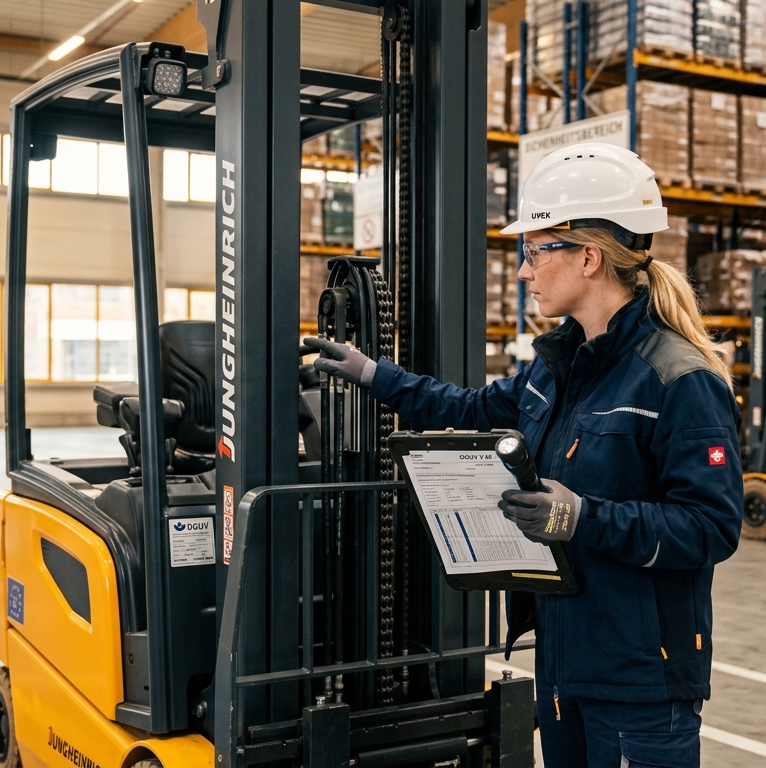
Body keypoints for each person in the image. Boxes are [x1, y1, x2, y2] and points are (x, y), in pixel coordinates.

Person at [304, 143, 742, 768]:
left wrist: (583, 517)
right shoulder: (559, 369)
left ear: (588, 257)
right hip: (564, 662)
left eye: (535, 252)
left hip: (641, 680)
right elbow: (471, 408)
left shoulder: (678, 379)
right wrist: (377, 376)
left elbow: (711, 527)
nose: (524, 271)